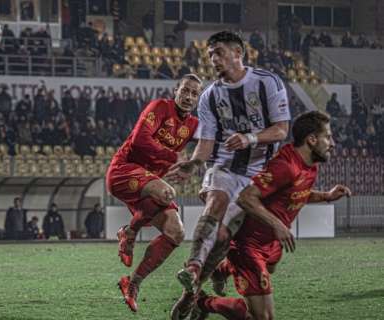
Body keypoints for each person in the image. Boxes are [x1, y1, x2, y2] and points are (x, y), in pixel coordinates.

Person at [166, 31, 290, 319]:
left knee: (222, 237)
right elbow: (207, 144)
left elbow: (281, 130)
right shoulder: (209, 96)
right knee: (215, 202)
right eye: (210, 55)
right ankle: (193, 266)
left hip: (258, 176)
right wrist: (194, 164)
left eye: (219, 52)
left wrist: (249, 139)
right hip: (225, 166)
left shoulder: (267, 82)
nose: (213, 60)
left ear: (238, 53)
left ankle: (192, 295)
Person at [187, 111, 351, 320]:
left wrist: (326, 196)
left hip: (271, 243)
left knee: (270, 267)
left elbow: (295, 193)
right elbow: (246, 198)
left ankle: (222, 270)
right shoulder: (285, 166)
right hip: (249, 245)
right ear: (311, 139)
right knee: (263, 317)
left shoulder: (310, 163)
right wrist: (278, 225)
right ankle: (203, 303)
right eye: (328, 136)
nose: (333, 143)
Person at [106, 74, 202, 312]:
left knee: (176, 232)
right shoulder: (160, 107)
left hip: (150, 183)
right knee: (167, 193)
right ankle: (129, 233)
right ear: (176, 90)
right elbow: (139, 140)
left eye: (194, 93)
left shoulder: (193, 125)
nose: (189, 97)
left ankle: (133, 284)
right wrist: (173, 157)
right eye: (185, 91)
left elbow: (209, 146)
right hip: (124, 171)